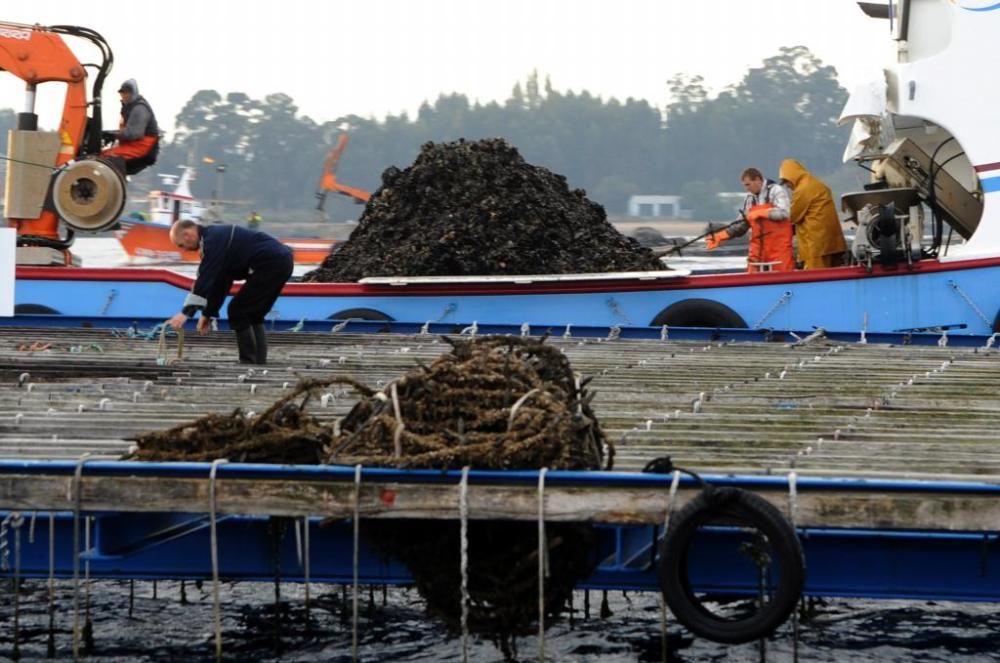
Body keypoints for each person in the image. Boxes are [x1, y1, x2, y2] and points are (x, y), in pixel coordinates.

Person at [166, 220, 293, 364]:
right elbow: (220, 283)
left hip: (271, 263)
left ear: (188, 235)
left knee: (238, 310)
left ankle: (248, 362)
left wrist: (186, 312)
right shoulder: (215, 239)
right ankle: (258, 360)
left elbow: (205, 278)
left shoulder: (212, 241)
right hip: (283, 261)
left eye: (181, 245)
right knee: (254, 314)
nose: (184, 250)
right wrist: (207, 313)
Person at [706, 167, 795, 272]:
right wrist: (721, 235)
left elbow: (785, 213)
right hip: (757, 251)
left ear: (757, 180)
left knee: (781, 277)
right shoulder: (749, 198)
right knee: (752, 275)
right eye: (745, 185)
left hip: (778, 250)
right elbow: (743, 223)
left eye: (748, 185)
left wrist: (762, 213)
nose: (747, 189)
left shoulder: (776, 190)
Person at [778, 159, 848, 269]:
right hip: (831, 240)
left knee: (817, 276)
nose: (788, 186)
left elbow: (794, 216)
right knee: (832, 275)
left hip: (815, 242)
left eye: (786, 182)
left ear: (792, 176)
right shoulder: (813, 182)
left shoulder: (802, 189)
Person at [100, 79, 160, 175]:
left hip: (143, 147)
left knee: (105, 158)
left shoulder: (139, 108)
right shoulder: (128, 108)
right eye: (122, 93)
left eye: (127, 92)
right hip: (134, 145)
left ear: (133, 93)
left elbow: (134, 133)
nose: (124, 95)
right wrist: (110, 134)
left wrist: (113, 135)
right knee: (100, 155)